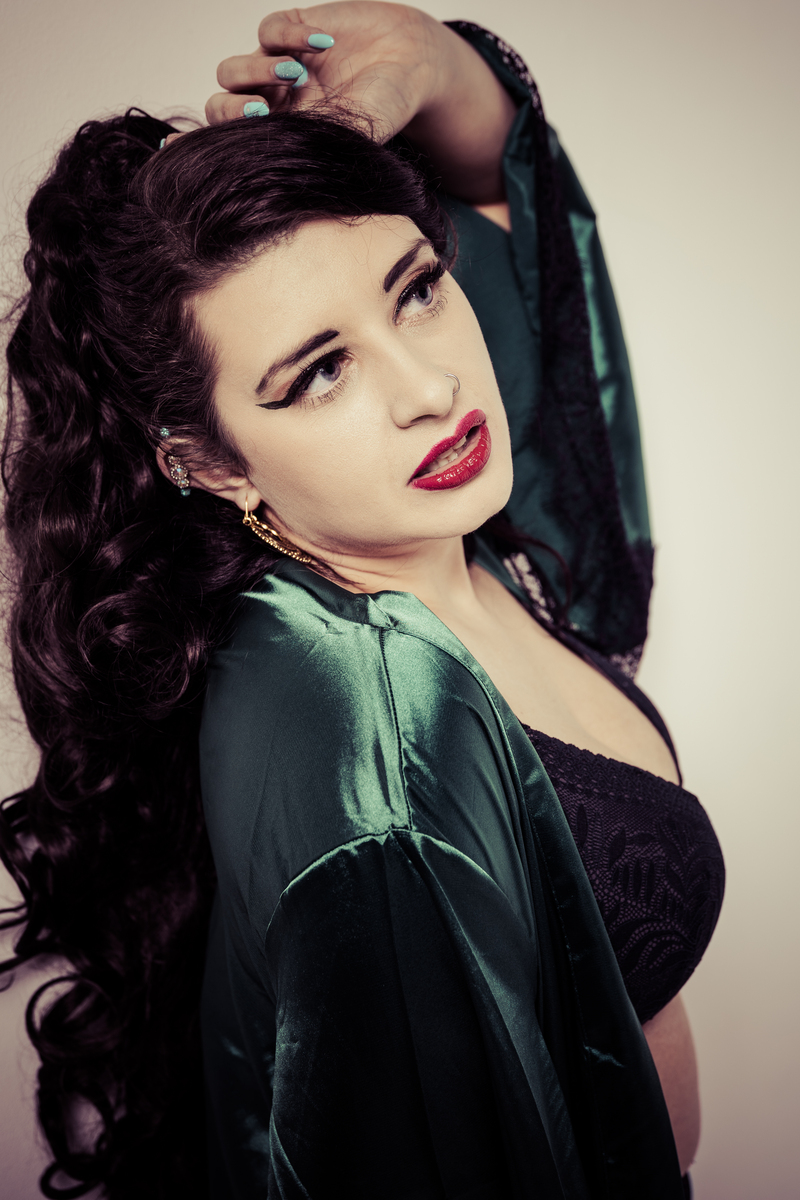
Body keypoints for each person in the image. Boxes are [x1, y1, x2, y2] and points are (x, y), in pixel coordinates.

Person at [0, 5, 724, 1198]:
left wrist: (439, 68)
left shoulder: (466, 543)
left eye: (418, 289)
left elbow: (548, 315)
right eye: (320, 371)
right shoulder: (368, 742)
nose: (427, 386)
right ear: (209, 462)